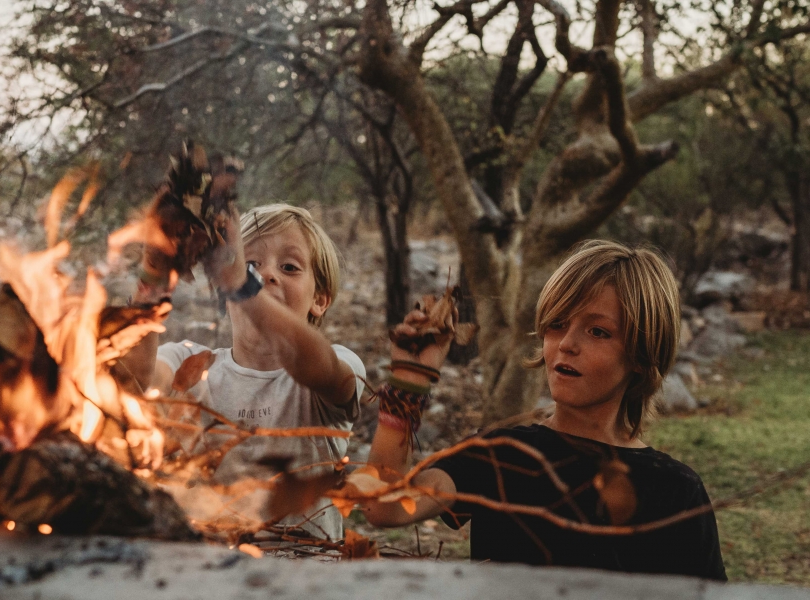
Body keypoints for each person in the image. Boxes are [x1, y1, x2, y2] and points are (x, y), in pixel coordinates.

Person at [364, 240, 727, 580]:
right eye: (557, 324)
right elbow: (384, 507)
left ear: (641, 353)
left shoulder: (675, 491)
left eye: (598, 332)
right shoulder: (501, 455)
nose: (567, 344)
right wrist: (409, 383)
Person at [127, 203, 365, 540]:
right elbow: (133, 384)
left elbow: (315, 364)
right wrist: (153, 273)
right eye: (251, 263)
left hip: (307, 581)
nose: (266, 275)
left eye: (289, 266)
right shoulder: (190, 364)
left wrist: (244, 281)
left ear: (321, 300)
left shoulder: (336, 366)